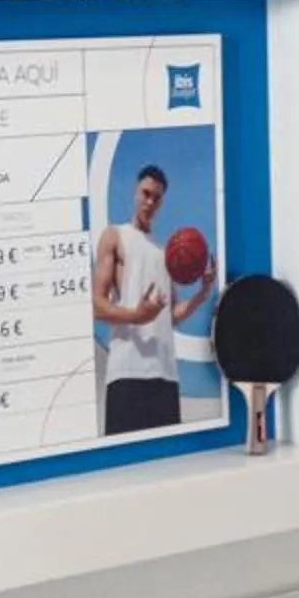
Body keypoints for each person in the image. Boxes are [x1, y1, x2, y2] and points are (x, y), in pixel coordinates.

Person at [95, 163, 215, 436]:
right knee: (125, 467)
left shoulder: (166, 253)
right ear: (135, 192)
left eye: (156, 197)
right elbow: (97, 305)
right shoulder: (115, 235)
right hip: (127, 372)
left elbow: (170, 315)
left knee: (168, 465)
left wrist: (202, 293)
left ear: (162, 201)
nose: (149, 201)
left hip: (166, 376)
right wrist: (136, 316)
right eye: (145, 193)